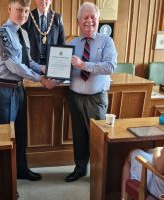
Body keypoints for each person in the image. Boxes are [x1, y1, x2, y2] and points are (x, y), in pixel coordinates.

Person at [0, 0, 52, 181]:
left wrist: (44, 68)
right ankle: (4, 177)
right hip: (3, 89)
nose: (23, 15)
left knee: (20, 131)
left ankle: (21, 169)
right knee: (4, 135)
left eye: (25, 11)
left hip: (18, 89)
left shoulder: (23, 33)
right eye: (19, 10)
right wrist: (40, 78)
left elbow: (28, 61)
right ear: (9, 9)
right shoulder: (2, 34)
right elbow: (14, 66)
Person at [65, 2, 117, 182]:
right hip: (75, 96)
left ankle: (99, 172)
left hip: (96, 98)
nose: (89, 21)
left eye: (92, 17)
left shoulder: (107, 41)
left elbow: (110, 67)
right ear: (78, 21)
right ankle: (80, 168)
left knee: (97, 138)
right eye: (85, 18)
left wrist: (83, 65)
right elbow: (65, 70)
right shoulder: (72, 43)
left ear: (98, 19)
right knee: (79, 135)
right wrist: (51, 75)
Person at [22, 0, 65, 65]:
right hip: (32, 65)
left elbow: (62, 45)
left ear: (50, 1)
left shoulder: (57, 18)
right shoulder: (27, 17)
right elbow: (23, 46)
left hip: (52, 65)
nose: (43, 1)